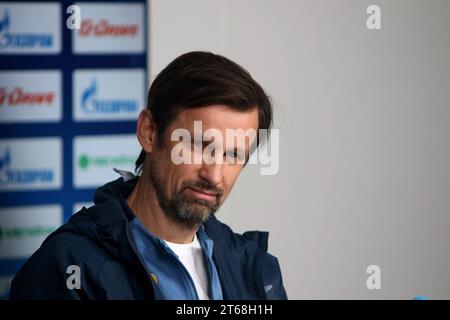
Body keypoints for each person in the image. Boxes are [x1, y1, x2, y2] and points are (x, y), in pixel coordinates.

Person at [10, 51, 287, 300]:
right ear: (149, 132)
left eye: (233, 155)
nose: (214, 175)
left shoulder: (255, 269)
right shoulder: (69, 268)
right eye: (199, 145)